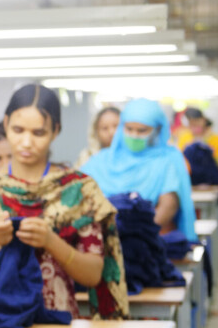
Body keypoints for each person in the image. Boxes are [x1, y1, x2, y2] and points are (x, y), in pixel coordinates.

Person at [0, 84, 129, 320]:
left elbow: (94, 274)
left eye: (38, 133)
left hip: (56, 325)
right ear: (5, 124)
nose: (26, 142)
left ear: (56, 131)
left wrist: (51, 242)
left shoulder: (78, 190)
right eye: (18, 129)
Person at [82, 98, 198, 242]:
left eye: (142, 130)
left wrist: (136, 235)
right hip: (104, 239)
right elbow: (81, 195)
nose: (134, 135)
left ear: (157, 129)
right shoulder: (102, 160)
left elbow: (169, 205)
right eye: (129, 129)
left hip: (149, 240)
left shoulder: (168, 160)